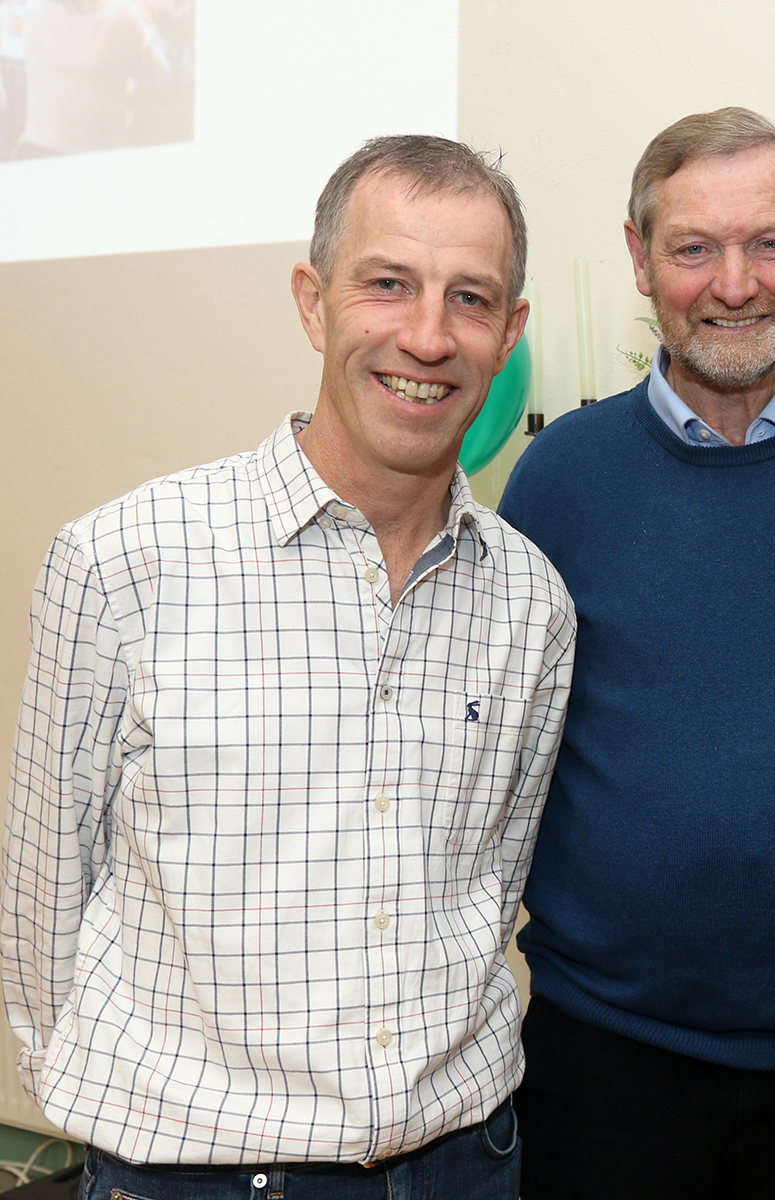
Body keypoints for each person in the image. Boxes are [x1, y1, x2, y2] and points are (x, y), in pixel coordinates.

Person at [2, 134, 575, 1200]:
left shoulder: (532, 600)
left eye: (470, 299)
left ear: (509, 336)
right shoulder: (123, 562)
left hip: (464, 1160)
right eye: (387, 285)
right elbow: (43, 898)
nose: (427, 334)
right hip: (196, 1172)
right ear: (314, 303)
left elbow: (494, 883)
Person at [499, 107, 775, 1199]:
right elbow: (506, 762)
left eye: (769, 243)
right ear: (640, 260)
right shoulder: (557, 480)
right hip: (608, 1061)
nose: (735, 283)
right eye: (694, 247)